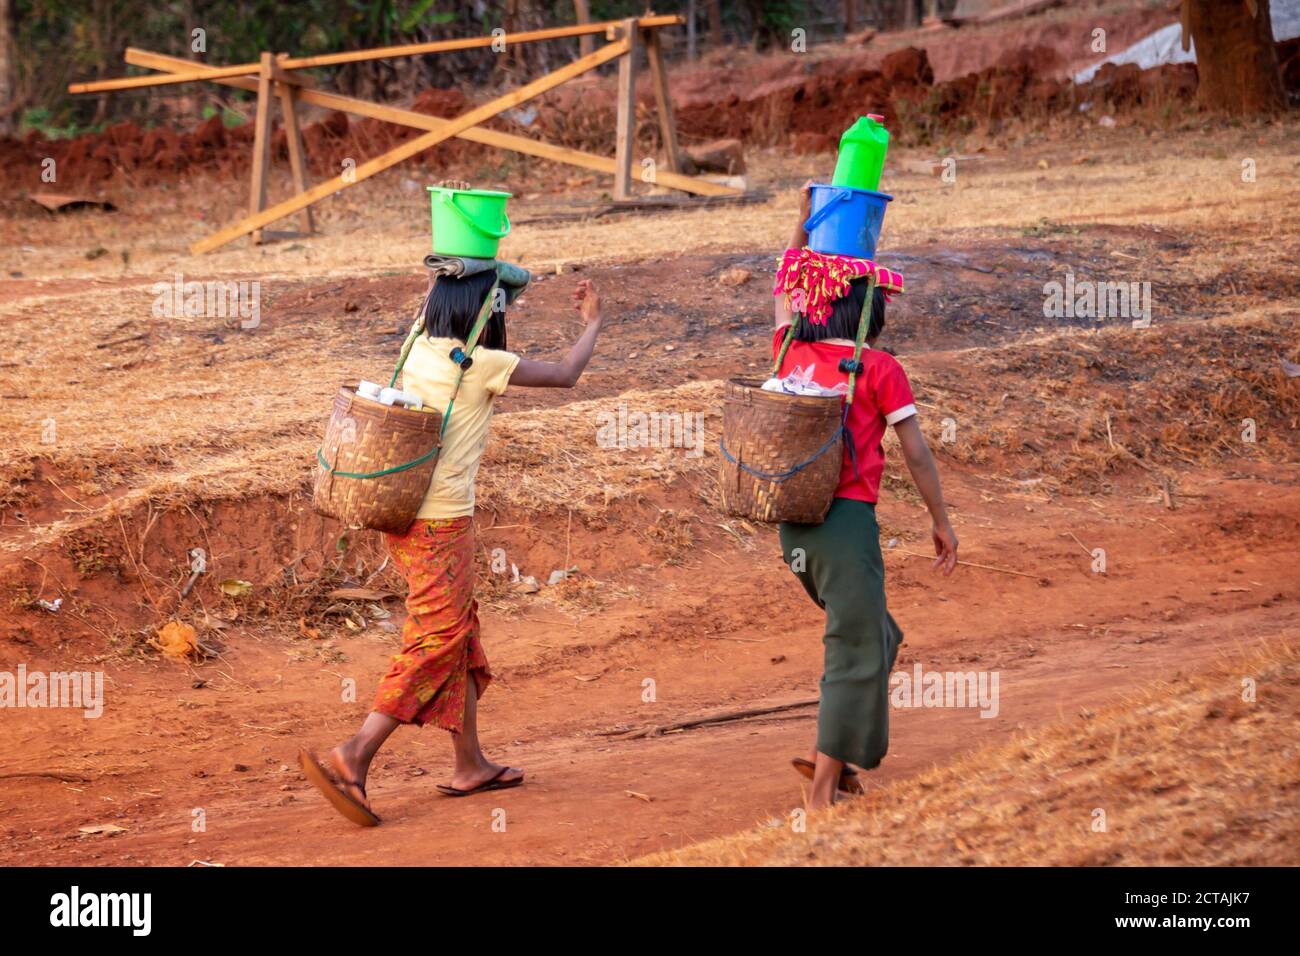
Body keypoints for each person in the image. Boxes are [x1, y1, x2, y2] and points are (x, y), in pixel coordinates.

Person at [301, 258, 604, 827]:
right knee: (437, 637)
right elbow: (566, 374)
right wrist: (593, 321)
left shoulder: (418, 345)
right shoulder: (486, 363)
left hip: (403, 514)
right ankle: (353, 755)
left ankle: (469, 763)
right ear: (488, 314)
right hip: (441, 524)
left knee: (455, 630)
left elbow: (441, 293)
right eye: (500, 306)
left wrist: (465, 264)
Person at [775, 182, 958, 812]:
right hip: (845, 528)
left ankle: (844, 763)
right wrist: (941, 521)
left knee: (877, 634)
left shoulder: (790, 349)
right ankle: (824, 792)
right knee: (853, 645)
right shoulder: (879, 369)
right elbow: (916, 454)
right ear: (872, 309)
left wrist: (802, 225)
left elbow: (780, 288)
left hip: (792, 528)